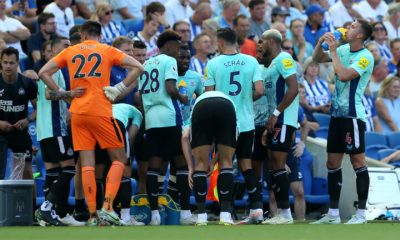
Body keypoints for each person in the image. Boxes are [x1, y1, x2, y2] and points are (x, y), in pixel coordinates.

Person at [38, 20, 143, 226]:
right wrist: (120, 87)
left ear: (83, 34)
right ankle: (107, 207)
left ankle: (93, 215)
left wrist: (64, 94)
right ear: (99, 34)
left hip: (77, 112)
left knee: (86, 165)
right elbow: (138, 67)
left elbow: (43, 73)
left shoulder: (71, 51)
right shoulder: (106, 49)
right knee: (119, 159)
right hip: (100, 110)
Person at [311, 19, 374, 224]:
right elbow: (317, 58)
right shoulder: (344, 48)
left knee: (358, 162)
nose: (349, 27)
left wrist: (335, 52)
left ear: (360, 36)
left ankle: (361, 213)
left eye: (354, 26)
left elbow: (345, 75)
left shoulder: (365, 57)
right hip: (337, 116)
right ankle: (333, 214)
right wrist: (322, 42)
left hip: (353, 116)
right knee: (332, 163)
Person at [204, 27, 264, 224]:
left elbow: (208, 95)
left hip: (224, 123)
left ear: (220, 43)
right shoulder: (251, 60)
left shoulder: (212, 64)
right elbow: (260, 91)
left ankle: (225, 214)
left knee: (225, 165)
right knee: (247, 164)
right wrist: (246, 99)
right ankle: (257, 208)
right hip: (247, 121)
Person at [138, 30, 192, 225]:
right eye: (177, 47)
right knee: (181, 163)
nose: (179, 52)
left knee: (154, 166)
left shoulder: (145, 64)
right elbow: (170, 88)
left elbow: (141, 97)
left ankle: (154, 215)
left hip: (152, 119)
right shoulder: (169, 61)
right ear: (168, 47)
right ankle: (185, 213)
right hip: (169, 117)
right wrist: (182, 97)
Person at [35, 38, 85, 227]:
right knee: (70, 168)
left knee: (52, 172)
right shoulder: (53, 69)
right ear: (55, 49)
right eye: (65, 45)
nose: (69, 48)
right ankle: (47, 208)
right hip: (55, 128)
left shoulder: (50, 69)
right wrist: (71, 94)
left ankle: (55, 214)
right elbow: (50, 94)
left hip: (44, 129)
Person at [258, 29, 299, 225]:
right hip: (275, 120)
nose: (259, 45)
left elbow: (293, 88)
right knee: (274, 164)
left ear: (272, 41)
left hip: (283, 119)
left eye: (262, 41)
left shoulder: (284, 58)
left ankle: (286, 214)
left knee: (279, 164)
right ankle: (283, 213)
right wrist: (268, 125)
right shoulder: (269, 66)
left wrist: (276, 114)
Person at [185, 91, 238, 226]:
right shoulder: (229, 103)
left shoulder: (198, 104)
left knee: (200, 164)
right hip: (226, 106)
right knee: (226, 162)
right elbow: (223, 150)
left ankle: (201, 216)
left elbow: (184, 137)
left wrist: (191, 167)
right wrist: (214, 163)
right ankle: (225, 215)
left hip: (202, 107)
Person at [93, 103, 145, 226]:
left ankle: (98, 216)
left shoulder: (111, 106)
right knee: (125, 171)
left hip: (98, 123)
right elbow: (131, 136)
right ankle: (126, 216)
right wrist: (127, 154)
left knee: (99, 175)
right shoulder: (138, 114)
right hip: (115, 124)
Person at [0, 47, 37, 181]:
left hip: (19, 131)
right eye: (5, 62)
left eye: (11, 63)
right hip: (0, 132)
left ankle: (29, 202)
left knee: (26, 172)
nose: (8, 66)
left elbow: (39, 109)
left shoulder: (27, 83)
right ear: (1, 63)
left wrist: (27, 120)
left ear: (18, 63)